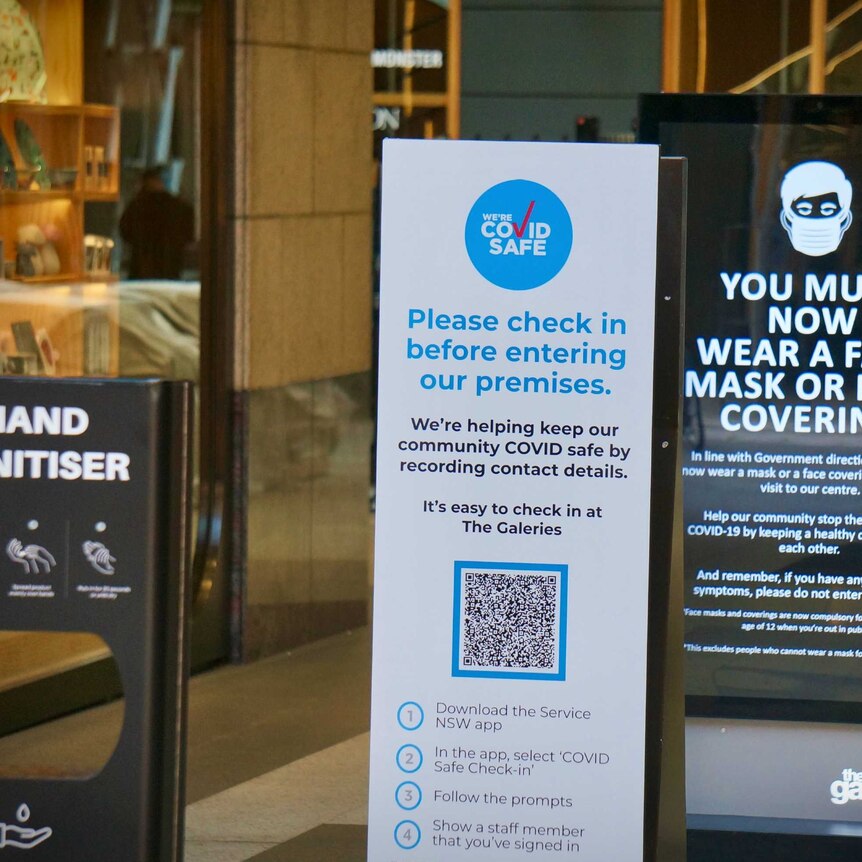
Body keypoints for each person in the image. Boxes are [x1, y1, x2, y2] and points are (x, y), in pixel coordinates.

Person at [119, 166, 194, 279]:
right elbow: (189, 232)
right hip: (170, 262)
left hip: (142, 263)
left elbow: (125, 230)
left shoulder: (137, 206)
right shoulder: (177, 206)